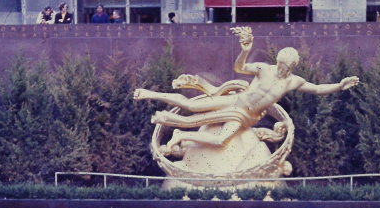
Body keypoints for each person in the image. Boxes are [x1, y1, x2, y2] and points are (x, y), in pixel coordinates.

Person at [133, 26, 359, 153]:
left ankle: (182, 134)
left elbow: (318, 89)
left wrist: (339, 85)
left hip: (246, 117)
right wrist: (245, 50)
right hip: (236, 102)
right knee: (191, 105)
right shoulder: (263, 69)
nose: (281, 68)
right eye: (280, 64)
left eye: (285, 66)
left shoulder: (293, 81)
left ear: (292, 67)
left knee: (221, 140)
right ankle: (149, 94)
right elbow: (239, 67)